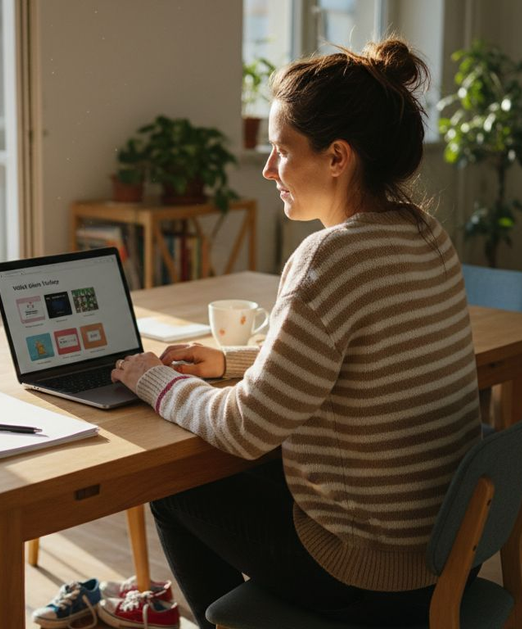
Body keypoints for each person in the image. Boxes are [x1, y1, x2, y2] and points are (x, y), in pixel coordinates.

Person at [111, 36, 481, 628]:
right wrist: (231, 365)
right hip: (437, 543)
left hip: (366, 569)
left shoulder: (329, 257)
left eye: (281, 151)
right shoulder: (423, 233)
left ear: (337, 157)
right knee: (243, 466)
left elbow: (243, 428)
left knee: (176, 485)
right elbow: (346, 362)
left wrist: (152, 379)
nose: (267, 169)